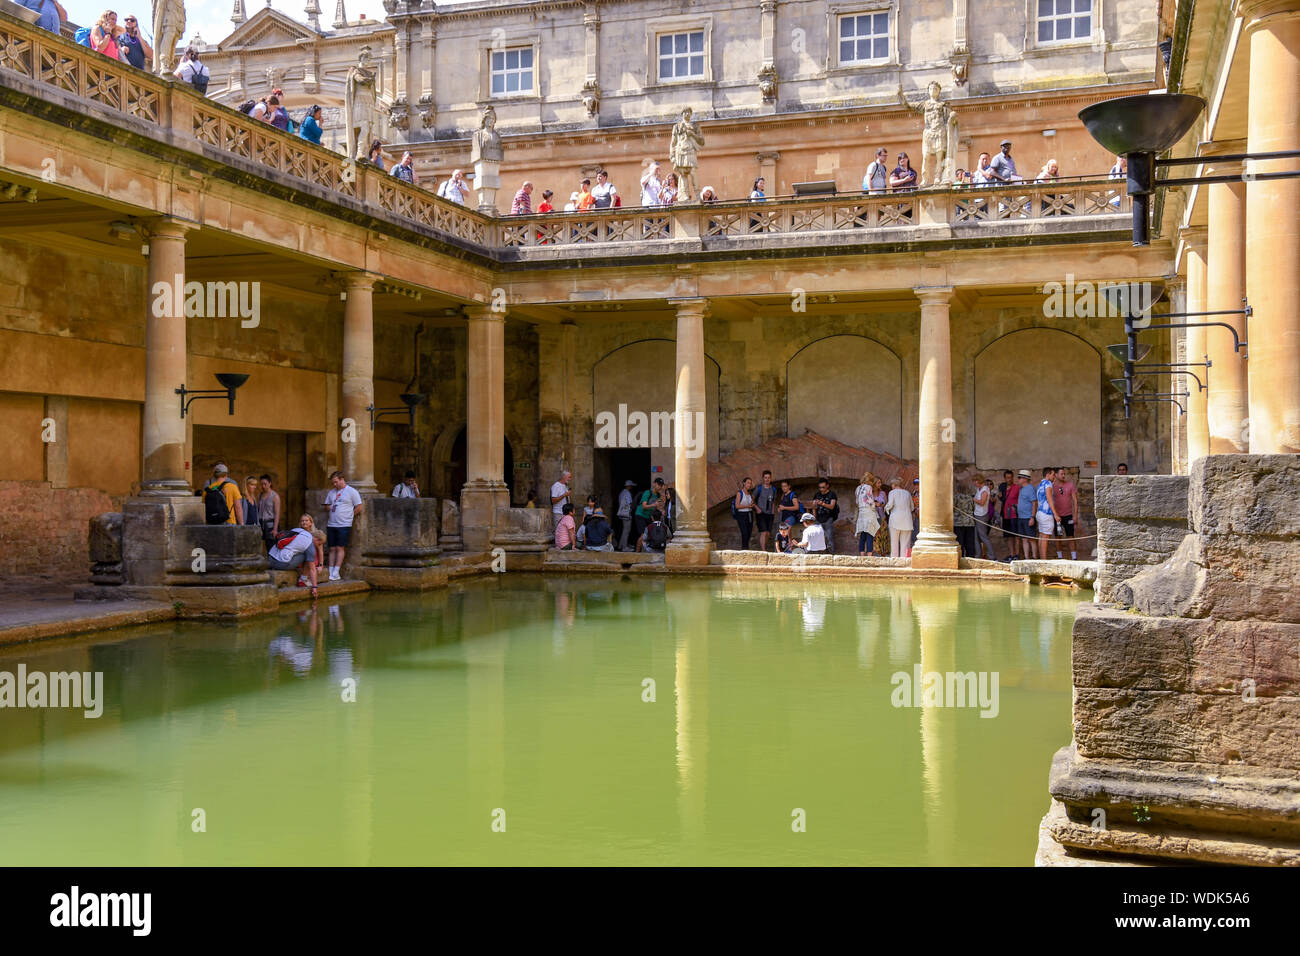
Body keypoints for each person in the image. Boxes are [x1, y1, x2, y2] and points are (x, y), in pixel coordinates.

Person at [324, 470, 363, 582]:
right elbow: (326, 506)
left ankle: (336, 571)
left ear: (342, 479)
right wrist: (329, 507)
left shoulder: (352, 492)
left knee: (340, 547)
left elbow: (359, 507)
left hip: (344, 524)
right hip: (331, 524)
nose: (334, 484)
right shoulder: (331, 492)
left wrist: (349, 516)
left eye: (336, 482)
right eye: (333, 483)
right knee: (331, 548)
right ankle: (331, 571)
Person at [268, 518, 319, 597]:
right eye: (319, 544)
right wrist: (315, 587)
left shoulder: (297, 530)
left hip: (270, 558)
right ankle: (303, 579)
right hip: (280, 564)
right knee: (308, 556)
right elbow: (312, 568)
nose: (318, 547)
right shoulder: (310, 544)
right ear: (317, 540)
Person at [1053, 467, 1079, 560]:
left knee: (1071, 536)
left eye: (1064, 474)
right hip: (1057, 517)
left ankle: (1074, 558)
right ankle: (1060, 557)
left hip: (1068, 516)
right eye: (1061, 474)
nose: (1063, 475)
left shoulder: (1070, 485)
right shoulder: (1052, 486)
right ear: (1056, 475)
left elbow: (1075, 501)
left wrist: (1075, 515)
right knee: (1058, 536)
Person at [885, 478, 914, 559]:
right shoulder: (907, 493)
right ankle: (904, 561)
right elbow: (912, 507)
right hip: (907, 520)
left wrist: (886, 508)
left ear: (893, 485)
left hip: (895, 520)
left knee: (894, 543)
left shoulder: (892, 492)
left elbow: (890, 504)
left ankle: (894, 561)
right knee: (905, 544)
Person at [1035, 466, 1059, 560]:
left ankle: (1042, 558)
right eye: (1053, 475)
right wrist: (1055, 514)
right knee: (1045, 537)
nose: (1054, 477)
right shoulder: (1048, 483)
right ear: (1047, 474)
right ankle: (1044, 560)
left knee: (1041, 535)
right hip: (1046, 513)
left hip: (1040, 512)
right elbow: (1049, 499)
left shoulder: (1040, 484)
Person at [811, 478, 839, 554]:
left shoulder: (832, 494)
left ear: (827, 486)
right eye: (820, 487)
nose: (821, 489)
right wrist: (814, 518)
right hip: (818, 519)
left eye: (823, 487)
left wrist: (822, 503)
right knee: (816, 537)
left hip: (828, 519)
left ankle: (831, 555)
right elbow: (814, 507)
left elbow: (832, 506)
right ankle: (817, 555)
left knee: (830, 538)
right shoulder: (817, 494)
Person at [855, 472, 880, 555]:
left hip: (861, 512)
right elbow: (867, 499)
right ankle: (869, 554)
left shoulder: (858, 488)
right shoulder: (868, 487)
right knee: (870, 533)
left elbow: (857, 501)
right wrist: (874, 504)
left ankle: (862, 553)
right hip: (868, 512)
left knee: (863, 533)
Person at [1014, 469, 1037, 559]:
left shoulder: (1030, 488)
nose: (1018, 479)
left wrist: (1032, 517)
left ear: (1024, 479)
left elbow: (1034, 503)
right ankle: (1027, 558)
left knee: (1032, 539)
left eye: (1019, 478)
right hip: (1021, 517)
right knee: (1024, 539)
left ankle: (1035, 558)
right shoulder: (1022, 489)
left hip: (1028, 517)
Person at [754, 470, 777, 552]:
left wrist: (773, 512)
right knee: (763, 532)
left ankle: (764, 547)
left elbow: (773, 501)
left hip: (770, 513)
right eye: (765, 478)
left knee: (768, 533)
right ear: (763, 478)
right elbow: (752, 500)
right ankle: (763, 550)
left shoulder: (773, 489)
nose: (767, 479)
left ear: (771, 478)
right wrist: (757, 508)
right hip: (761, 513)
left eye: (768, 478)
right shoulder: (759, 488)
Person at [973, 475, 995, 560]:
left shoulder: (985, 490)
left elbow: (982, 502)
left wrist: (974, 500)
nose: (974, 483)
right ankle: (978, 555)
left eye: (975, 481)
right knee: (976, 537)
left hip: (982, 515)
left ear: (978, 481)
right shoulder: (979, 489)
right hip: (977, 514)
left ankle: (992, 556)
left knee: (983, 537)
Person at [258, 474, 282, 548]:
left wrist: (275, 529)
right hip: (261, 523)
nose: (263, 486)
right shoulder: (260, 495)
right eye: (261, 484)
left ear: (270, 483)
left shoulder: (275, 496)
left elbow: (277, 514)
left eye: (265, 484)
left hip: (271, 523)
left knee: (270, 545)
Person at [953, 482, 976, 558]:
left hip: (958, 523)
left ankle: (961, 558)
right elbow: (974, 508)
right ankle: (971, 558)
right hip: (970, 522)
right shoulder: (970, 497)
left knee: (960, 543)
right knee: (970, 543)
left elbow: (952, 508)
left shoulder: (955, 497)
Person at [733, 477, 757, 550]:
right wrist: (747, 506)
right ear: (744, 483)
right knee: (744, 533)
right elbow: (737, 506)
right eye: (748, 483)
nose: (749, 485)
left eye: (750, 483)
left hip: (749, 514)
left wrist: (752, 505)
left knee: (749, 533)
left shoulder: (750, 494)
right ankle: (744, 549)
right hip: (741, 515)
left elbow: (752, 504)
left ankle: (746, 549)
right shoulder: (739, 493)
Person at [616, 479, 636, 551]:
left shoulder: (622, 492)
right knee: (626, 530)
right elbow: (630, 503)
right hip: (626, 514)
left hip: (622, 513)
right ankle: (624, 547)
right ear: (629, 486)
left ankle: (620, 545)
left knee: (624, 530)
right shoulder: (627, 493)